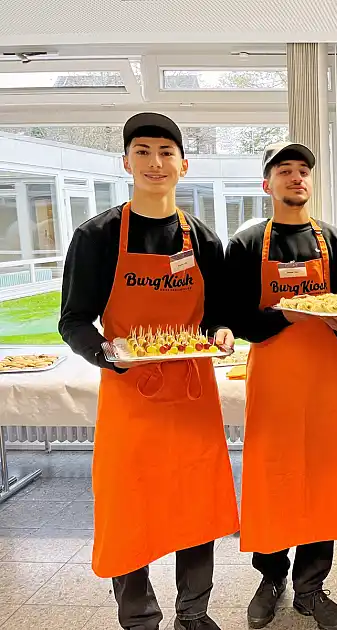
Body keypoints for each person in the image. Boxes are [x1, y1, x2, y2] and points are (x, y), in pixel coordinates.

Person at [58, 112, 239, 630]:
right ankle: (138, 616)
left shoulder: (202, 238)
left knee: (196, 506)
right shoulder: (98, 236)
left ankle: (194, 612)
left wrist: (223, 331)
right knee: (129, 508)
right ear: (126, 163)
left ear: (184, 164)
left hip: (191, 395)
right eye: (143, 152)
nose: (155, 163)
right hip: (130, 395)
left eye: (165, 152)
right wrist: (108, 355)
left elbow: (219, 313)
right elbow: (73, 320)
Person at [225, 141, 337, 630]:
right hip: (273, 381)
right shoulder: (246, 245)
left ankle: (312, 587)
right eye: (284, 170)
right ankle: (270, 578)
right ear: (268, 184)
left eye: (303, 170)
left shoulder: (335, 241)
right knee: (273, 479)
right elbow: (239, 320)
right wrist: (284, 314)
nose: (296, 178)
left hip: (325, 382)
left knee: (322, 481)